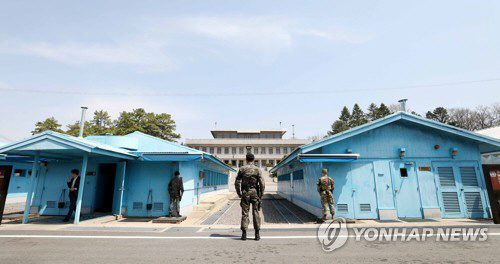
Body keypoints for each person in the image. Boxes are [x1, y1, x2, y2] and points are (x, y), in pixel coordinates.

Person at [235, 153, 265, 241]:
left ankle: (244, 234)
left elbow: (237, 182)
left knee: (245, 213)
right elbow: (262, 183)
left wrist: (239, 193)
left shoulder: (242, 169)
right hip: (255, 192)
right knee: (256, 212)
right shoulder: (257, 169)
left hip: (245, 192)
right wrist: (261, 194)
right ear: (253, 159)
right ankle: (257, 234)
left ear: (246, 159)